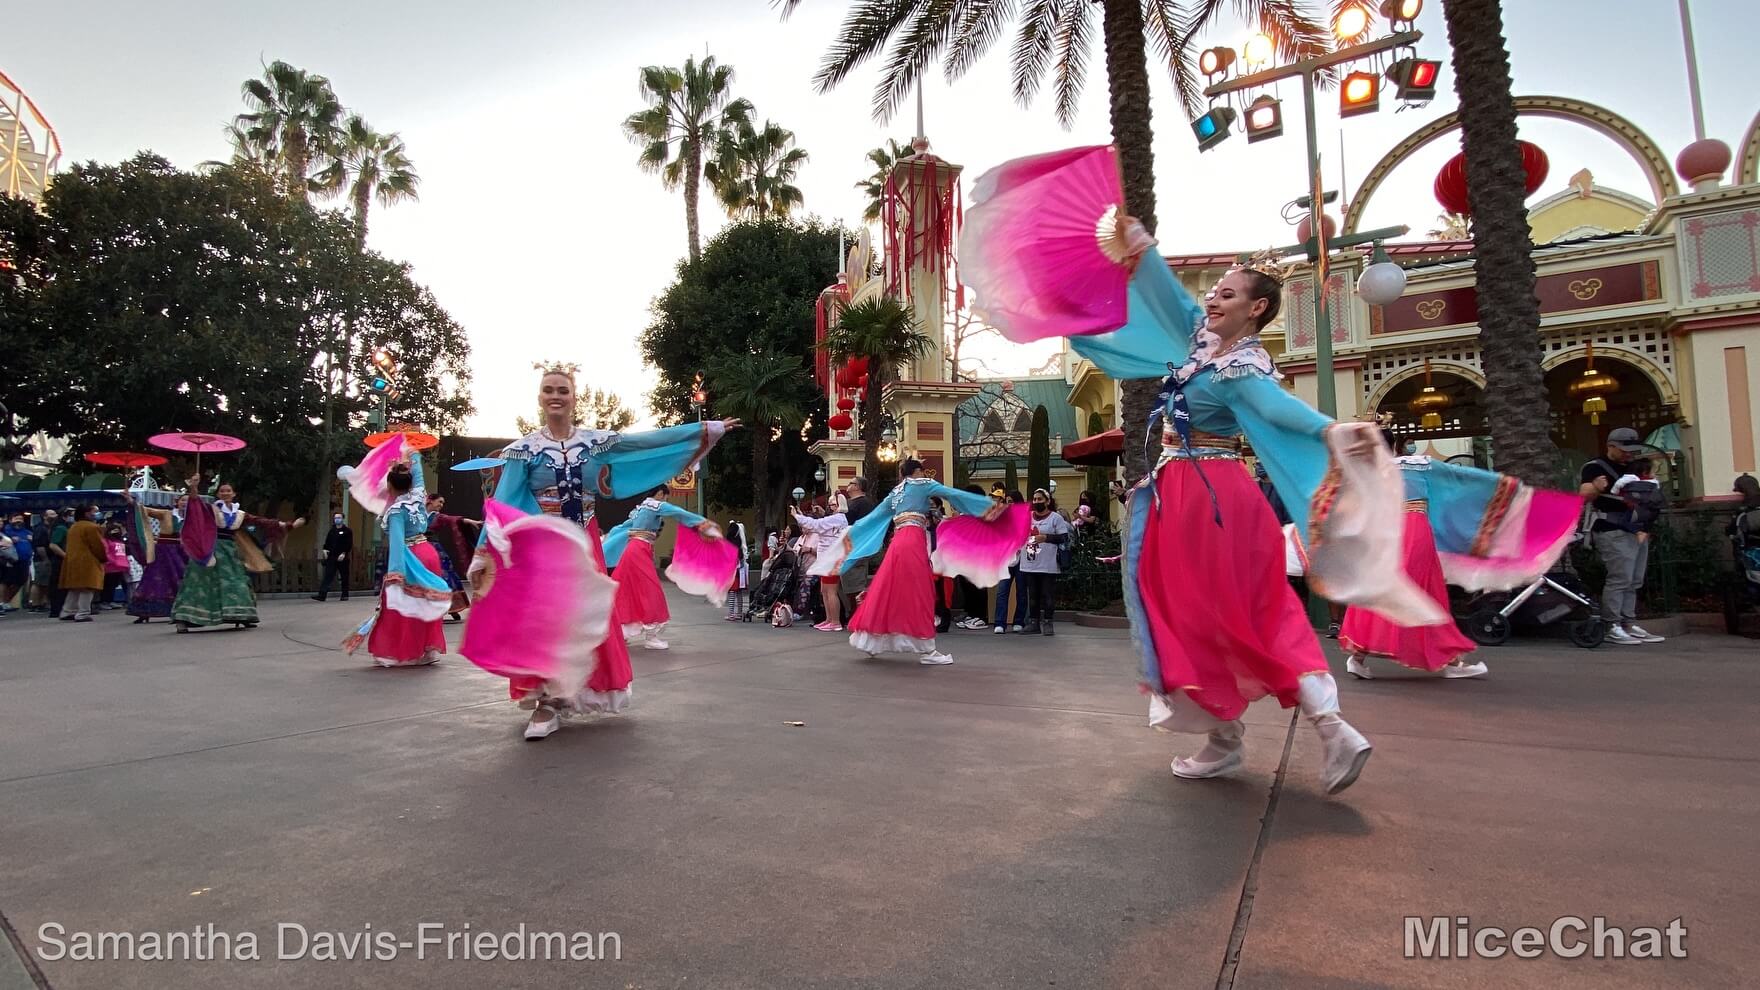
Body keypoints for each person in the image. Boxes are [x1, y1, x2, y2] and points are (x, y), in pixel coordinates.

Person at [1005, 218, 1577, 794]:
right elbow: (1171, 298)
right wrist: (1143, 251)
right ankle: (1269, 735)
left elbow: (1282, 413)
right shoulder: (1201, 344)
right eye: (1215, 291)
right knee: (1208, 614)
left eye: (1226, 294)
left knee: (1225, 615)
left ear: (1256, 310)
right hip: (1189, 496)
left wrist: (1335, 431)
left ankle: (1297, 732)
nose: (1212, 298)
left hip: (1211, 500)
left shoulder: (1241, 369)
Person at [461, 367, 738, 741]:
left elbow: (649, 443)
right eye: (548, 390)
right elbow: (503, 502)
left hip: (586, 540)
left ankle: (567, 695)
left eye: (562, 390)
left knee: (584, 615)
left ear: (574, 397)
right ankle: (546, 701)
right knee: (545, 618)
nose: (555, 395)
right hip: (543, 544)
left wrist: (705, 429)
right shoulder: (522, 451)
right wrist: (483, 554)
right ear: (539, 398)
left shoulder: (597, 443)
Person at [812, 458, 1028, 665]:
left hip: (897, 543)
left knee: (887, 588)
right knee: (921, 591)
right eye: (921, 470)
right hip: (913, 540)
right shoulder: (922, 483)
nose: (924, 474)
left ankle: (870, 640)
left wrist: (849, 541)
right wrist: (989, 508)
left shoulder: (896, 492)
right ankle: (927, 650)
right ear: (916, 472)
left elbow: (873, 518)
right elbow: (952, 494)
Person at [1340, 433, 1486, 680]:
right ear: (1396, 445)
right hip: (1412, 528)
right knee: (1425, 592)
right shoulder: (1415, 464)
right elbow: (1459, 480)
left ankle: (1358, 656)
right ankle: (1451, 660)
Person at [341, 448, 450, 667]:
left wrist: (395, 575)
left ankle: (398, 652)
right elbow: (418, 476)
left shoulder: (396, 511)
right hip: (428, 551)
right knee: (424, 603)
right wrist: (413, 456)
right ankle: (427, 650)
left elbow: (398, 544)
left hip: (410, 555)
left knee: (400, 604)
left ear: (389, 486)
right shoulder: (419, 495)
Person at [601, 483, 732, 651]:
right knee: (651, 592)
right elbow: (678, 512)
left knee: (627, 589)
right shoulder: (654, 504)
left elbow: (622, 528)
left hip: (632, 550)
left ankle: (622, 631)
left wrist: (606, 540)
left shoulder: (639, 509)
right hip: (639, 551)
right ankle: (651, 636)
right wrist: (704, 524)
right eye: (666, 497)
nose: (665, 500)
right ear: (661, 494)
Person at [173, 479, 305, 631]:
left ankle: (242, 615)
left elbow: (261, 522)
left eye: (228, 491)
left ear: (233, 494)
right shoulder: (211, 509)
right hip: (211, 548)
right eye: (222, 491)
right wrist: (194, 487)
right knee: (199, 582)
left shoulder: (240, 514)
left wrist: (287, 525)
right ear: (218, 494)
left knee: (238, 581)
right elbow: (195, 506)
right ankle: (183, 619)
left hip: (230, 551)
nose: (225, 493)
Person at [1579, 427, 1666, 645]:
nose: (1629, 453)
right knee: (1620, 578)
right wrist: (1597, 488)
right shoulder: (1595, 467)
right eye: (1624, 449)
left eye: (1632, 449)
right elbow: (1583, 495)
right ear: (1611, 446)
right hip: (1611, 528)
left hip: (1637, 528)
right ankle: (1612, 625)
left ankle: (1629, 622)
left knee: (1635, 579)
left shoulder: (1636, 467)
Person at [126, 494, 188, 624]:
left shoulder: (192, 518)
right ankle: (144, 611)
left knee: (181, 579)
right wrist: (132, 502)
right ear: (177, 502)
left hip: (182, 551)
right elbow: (144, 510)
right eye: (183, 500)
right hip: (164, 551)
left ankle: (180, 610)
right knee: (153, 579)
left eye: (188, 501)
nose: (185, 503)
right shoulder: (166, 514)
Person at [1019, 488, 1073, 636]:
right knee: (1033, 595)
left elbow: (1064, 538)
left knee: (1048, 595)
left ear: (1048, 501)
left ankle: (1048, 622)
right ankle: (1033, 623)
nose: (1036, 502)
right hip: (1029, 563)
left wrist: (1046, 538)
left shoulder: (1055, 518)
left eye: (1040, 499)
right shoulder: (1027, 517)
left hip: (1048, 565)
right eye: (1035, 499)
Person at [793, 504, 849, 632]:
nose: (830, 506)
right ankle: (829, 619)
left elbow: (816, 525)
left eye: (833, 504)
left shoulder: (839, 518)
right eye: (829, 504)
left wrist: (797, 516)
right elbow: (821, 524)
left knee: (830, 591)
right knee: (825, 590)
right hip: (827, 559)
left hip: (831, 559)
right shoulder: (836, 519)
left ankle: (835, 621)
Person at [424, 495, 479, 621]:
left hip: (435, 550)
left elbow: (453, 519)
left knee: (445, 576)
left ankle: (452, 607)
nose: (441, 505)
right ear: (430, 501)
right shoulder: (419, 514)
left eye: (443, 503)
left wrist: (469, 521)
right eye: (439, 502)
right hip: (420, 549)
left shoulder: (439, 517)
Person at [57, 505, 108, 622]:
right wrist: (103, 558)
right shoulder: (91, 527)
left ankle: (67, 611)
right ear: (86, 513)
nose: (96, 514)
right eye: (94, 512)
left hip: (72, 560)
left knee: (75, 588)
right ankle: (83, 613)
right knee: (88, 588)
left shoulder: (73, 527)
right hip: (88, 561)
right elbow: (98, 546)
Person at [839, 477, 877, 618]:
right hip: (846, 547)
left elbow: (866, 526)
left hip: (857, 547)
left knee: (855, 584)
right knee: (845, 584)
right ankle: (852, 614)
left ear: (858, 487)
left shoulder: (864, 503)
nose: (848, 485)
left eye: (851, 483)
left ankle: (860, 615)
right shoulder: (849, 503)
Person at [992, 490, 1029, 634]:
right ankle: (999, 622)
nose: (1009, 504)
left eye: (1012, 501)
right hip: (1006, 559)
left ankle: (1018, 621)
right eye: (1007, 501)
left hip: (1022, 558)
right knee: (1002, 591)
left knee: (1021, 591)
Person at [313, 512, 354, 602]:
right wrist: (325, 549)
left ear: (343, 519)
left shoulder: (347, 531)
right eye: (335, 518)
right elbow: (327, 542)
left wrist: (344, 553)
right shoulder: (332, 531)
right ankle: (322, 595)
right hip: (332, 556)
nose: (337, 519)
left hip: (342, 557)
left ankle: (344, 595)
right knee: (328, 575)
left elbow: (349, 544)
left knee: (344, 576)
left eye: (339, 518)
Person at [1, 512, 31, 613]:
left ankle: (6, 602)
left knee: (21, 581)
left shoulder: (27, 532)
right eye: (16, 518)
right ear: (10, 520)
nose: (19, 520)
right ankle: (3, 603)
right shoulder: (6, 530)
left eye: (21, 519)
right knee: (6, 581)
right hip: (11, 560)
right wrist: (10, 540)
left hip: (25, 560)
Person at [724, 520, 751, 619]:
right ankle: (739, 612)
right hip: (741, 571)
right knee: (739, 591)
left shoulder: (729, 544)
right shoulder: (739, 544)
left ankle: (731, 613)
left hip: (733, 571)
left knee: (732, 591)